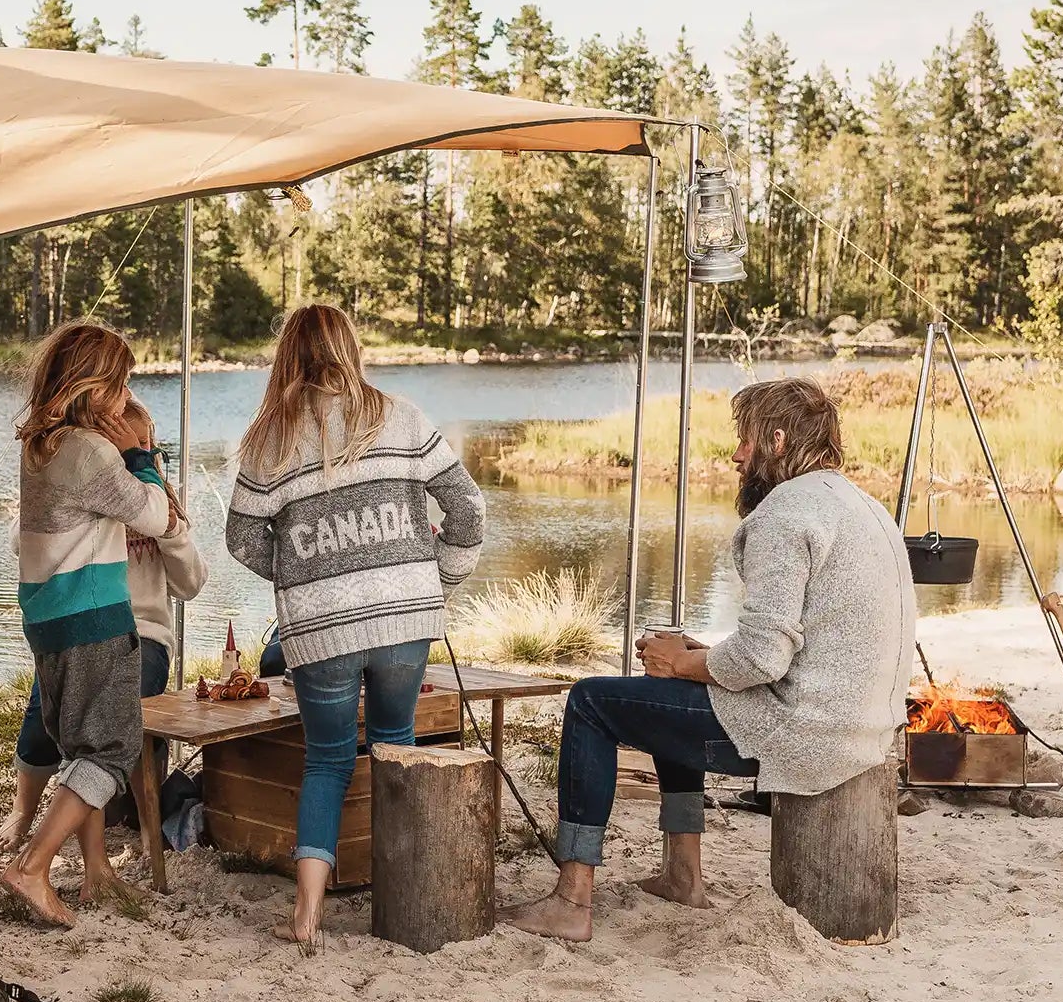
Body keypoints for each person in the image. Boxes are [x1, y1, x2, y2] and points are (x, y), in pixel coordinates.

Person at [506, 377, 915, 943]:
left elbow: (763, 658)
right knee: (676, 695)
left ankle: (572, 899)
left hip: (807, 736)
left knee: (591, 702)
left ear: (774, 440)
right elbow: (791, 643)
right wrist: (700, 659)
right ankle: (683, 874)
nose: (736, 455)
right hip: (863, 727)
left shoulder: (785, 512)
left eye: (744, 441)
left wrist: (681, 663)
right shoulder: (865, 507)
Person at [226, 306, 485, 949]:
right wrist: (441, 575)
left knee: (327, 760)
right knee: (397, 745)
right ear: (352, 348)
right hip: (404, 616)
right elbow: (467, 506)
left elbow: (239, 538)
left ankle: (307, 912)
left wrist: (301, 574)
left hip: (318, 630)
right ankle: (405, 892)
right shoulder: (402, 415)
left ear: (288, 356)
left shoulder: (268, 439)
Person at [0, 322, 184, 927]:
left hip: (47, 620)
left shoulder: (41, 447)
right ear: (95, 387)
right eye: (121, 382)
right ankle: (32, 866)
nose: (126, 396)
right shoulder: (95, 453)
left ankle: (97, 869)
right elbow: (154, 515)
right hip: (94, 619)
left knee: (81, 743)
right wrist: (141, 454)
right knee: (109, 748)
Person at [0, 414, 205, 877]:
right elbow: (20, 542)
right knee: (40, 714)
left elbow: (190, 586)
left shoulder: (157, 503)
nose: (141, 452)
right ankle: (24, 811)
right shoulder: (89, 484)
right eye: (130, 444)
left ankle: (144, 821)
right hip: (84, 626)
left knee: (129, 700)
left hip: (143, 631)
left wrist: (172, 534)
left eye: (148, 444)